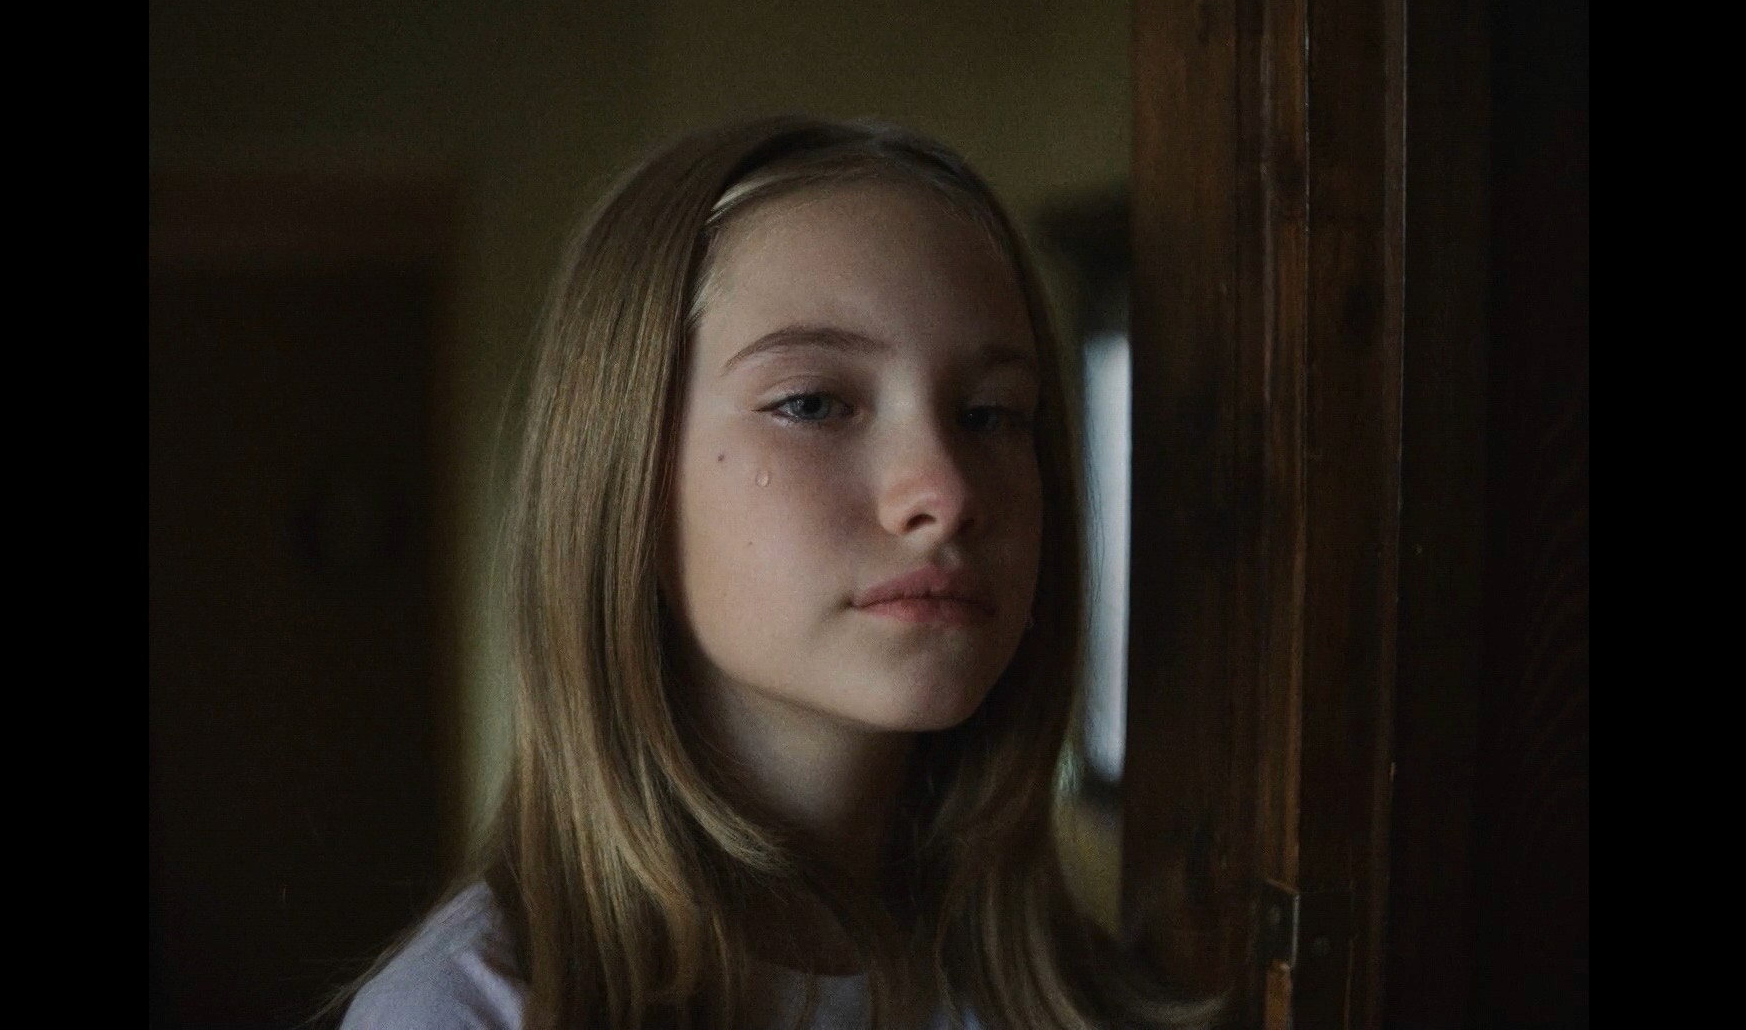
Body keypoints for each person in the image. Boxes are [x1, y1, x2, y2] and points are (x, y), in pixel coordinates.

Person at [335, 115, 1220, 1029]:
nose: (947, 493)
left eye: (991, 413)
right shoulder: (469, 1014)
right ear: (624, 475)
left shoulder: (1087, 998)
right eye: (812, 403)